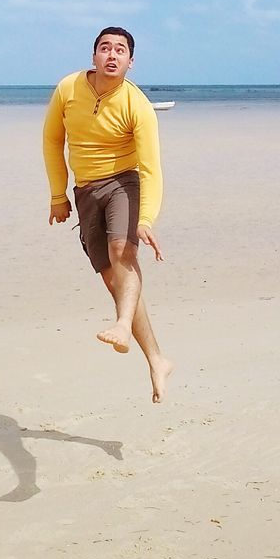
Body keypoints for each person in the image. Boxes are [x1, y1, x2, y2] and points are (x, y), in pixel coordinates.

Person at [43, 27, 174, 403]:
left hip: (123, 183)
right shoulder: (68, 88)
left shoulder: (138, 106)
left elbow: (151, 169)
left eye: (120, 50)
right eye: (105, 48)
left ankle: (120, 324)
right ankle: (157, 360)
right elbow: (53, 139)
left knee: (123, 252)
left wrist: (145, 219)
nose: (112, 55)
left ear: (131, 62)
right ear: (94, 56)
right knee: (117, 284)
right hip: (84, 192)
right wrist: (57, 194)